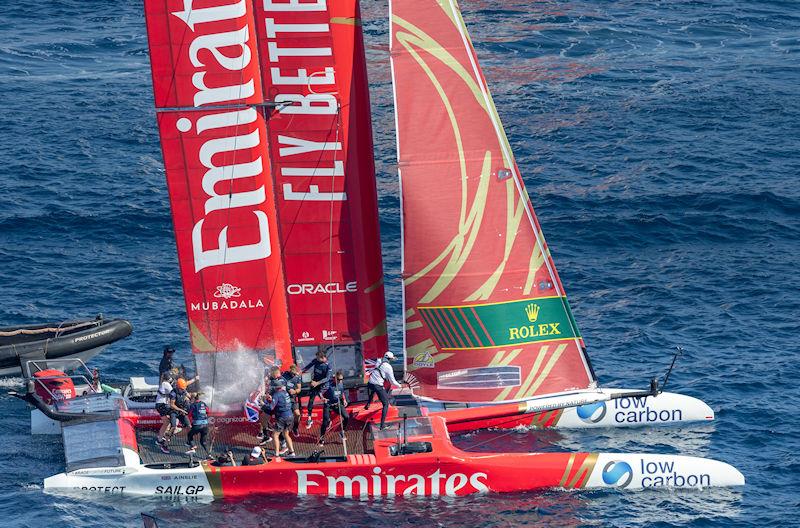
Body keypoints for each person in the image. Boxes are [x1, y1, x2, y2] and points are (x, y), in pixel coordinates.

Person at [365, 351, 402, 430]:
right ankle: (382, 425)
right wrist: (400, 385)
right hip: (378, 386)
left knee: (373, 390)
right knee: (386, 404)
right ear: (389, 359)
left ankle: (367, 405)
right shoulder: (388, 367)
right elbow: (392, 381)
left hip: (370, 383)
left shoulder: (379, 360)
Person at [159, 378, 191, 452]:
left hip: (182, 411)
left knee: (189, 426)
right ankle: (165, 445)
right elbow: (172, 405)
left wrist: (189, 399)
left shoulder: (184, 391)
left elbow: (189, 396)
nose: (183, 390)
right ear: (178, 387)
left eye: (184, 389)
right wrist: (181, 410)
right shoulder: (173, 393)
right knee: (173, 427)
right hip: (174, 411)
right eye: (181, 389)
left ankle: (189, 441)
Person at [266, 379, 296, 457]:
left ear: (275, 387)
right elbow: (280, 402)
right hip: (290, 416)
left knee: (275, 435)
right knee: (286, 434)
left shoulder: (276, 394)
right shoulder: (285, 392)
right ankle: (292, 452)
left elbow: (271, 408)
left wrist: (263, 404)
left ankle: (276, 454)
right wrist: (271, 400)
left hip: (282, 418)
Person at [319, 370, 349, 444]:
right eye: (339, 379)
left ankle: (342, 432)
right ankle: (321, 438)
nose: (340, 381)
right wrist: (323, 398)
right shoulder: (328, 384)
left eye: (342, 379)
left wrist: (344, 400)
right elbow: (319, 392)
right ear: (335, 378)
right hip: (328, 405)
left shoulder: (341, 384)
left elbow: (342, 393)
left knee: (346, 417)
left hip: (337, 404)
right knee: (325, 422)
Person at [302, 350, 330, 429]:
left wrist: (318, 383)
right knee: (311, 400)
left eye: (318, 358)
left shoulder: (328, 366)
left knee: (324, 400)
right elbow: (308, 366)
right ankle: (309, 418)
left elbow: (327, 378)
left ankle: (328, 419)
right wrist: (301, 371)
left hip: (323, 386)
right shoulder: (316, 361)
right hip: (314, 383)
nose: (316, 359)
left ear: (323, 358)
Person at [155, 372, 173, 452]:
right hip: (162, 405)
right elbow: (173, 393)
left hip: (159, 405)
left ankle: (159, 439)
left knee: (166, 422)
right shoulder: (166, 384)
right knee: (173, 418)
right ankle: (167, 437)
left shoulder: (162, 383)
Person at [282, 364, 302, 435]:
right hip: (283, 398)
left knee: (297, 414)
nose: (294, 375)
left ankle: (295, 427)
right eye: (293, 373)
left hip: (292, 398)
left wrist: (295, 391)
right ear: (290, 371)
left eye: (295, 374)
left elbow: (299, 389)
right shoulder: (284, 374)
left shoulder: (297, 377)